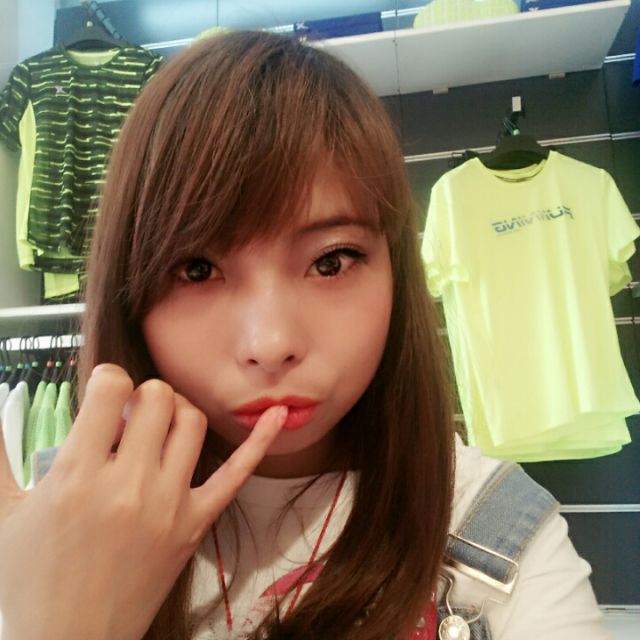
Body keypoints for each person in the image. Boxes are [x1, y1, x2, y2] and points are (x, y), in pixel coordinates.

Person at [0, 31, 611, 640]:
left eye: (330, 261)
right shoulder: (49, 528)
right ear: (129, 293)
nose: (270, 344)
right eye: (198, 269)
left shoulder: (499, 532)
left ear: (396, 272)